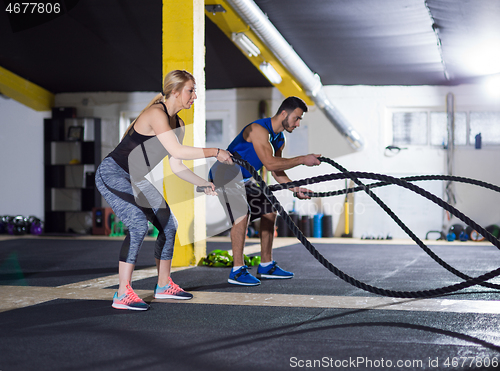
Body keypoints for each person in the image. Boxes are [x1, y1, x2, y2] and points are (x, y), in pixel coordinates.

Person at [95, 70, 233, 310]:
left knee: (169, 225)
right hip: (112, 173)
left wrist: (202, 182)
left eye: (195, 91)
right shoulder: (156, 113)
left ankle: (163, 286)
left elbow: (177, 165)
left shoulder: (177, 123)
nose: (195, 97)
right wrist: (215, 151)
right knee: (138, 223)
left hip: (136, 179)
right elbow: (179, 152)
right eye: (191, 91)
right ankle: (122, 293)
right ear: (175, 92)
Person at [211, 96, 321, 286]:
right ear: (284, 114)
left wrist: (296, 188)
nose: (297, 123)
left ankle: (266, 265)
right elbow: (269, 163)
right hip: (225, 173)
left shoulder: (279, 139)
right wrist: (303, 159)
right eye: (296, 118)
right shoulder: (257, 129)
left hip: (244, 179)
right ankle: (237, 270)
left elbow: (277, 170)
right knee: (242, 214)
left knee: (270, 211)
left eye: (300, 119)